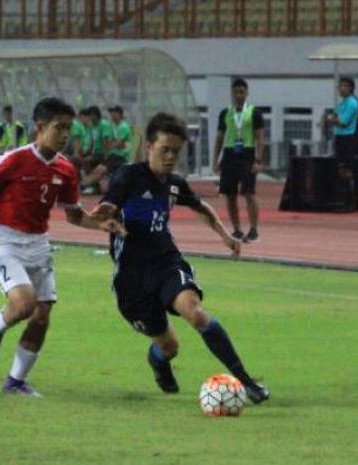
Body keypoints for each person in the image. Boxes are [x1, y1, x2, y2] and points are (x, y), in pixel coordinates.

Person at [0, 97, 125, 396]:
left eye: (68, 129)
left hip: (38, 243)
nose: (65, 135)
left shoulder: (66, 169)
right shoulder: (14, 159)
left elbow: (74, 215)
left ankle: (15, 382)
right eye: (59, 128)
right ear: (39, 127)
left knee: (42, 315)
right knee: (24, 304)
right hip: (5, 240)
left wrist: (99, 224)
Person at [92, 112, 269, 404]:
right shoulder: (129, 176)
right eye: (165, 150)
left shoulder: (174, 184)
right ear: (149, 147)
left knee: (194, 312)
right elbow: (109, 204)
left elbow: (201, 208)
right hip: (132, 280)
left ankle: (247, 382)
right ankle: (158, 361)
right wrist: (106, 216)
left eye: (176, 151)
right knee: (169, 346)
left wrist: (225, 235)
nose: (171, 156)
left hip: (166, 263)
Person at [212, 78, 265, 243]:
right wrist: (215, 159)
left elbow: (260, 139)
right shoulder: (225, 113)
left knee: (249, 192)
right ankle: (236, 229)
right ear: (232, 94)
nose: (239, 95)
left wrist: (258, 160)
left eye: (242, 92)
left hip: (247, 154)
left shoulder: (254, 113)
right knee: (230, 194)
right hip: (229, 154)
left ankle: (254, 230)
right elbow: (219, 138)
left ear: (247, 93)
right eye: (236, 92)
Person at [326, 76, 358, 211]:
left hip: (351, 139)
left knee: (351, 169)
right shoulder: (342, 103)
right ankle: (343, 198)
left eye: (345, 86)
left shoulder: (352, 103)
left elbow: (343, 122)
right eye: (340, 86)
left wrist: (334, 119)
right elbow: (333, 118)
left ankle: (354, 201)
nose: (341, 88)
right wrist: (333, 119)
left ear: (351, 88)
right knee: (341, 168)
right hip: (341, 138)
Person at [81, 105, 132, 189]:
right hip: (113, 155)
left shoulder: (123, 127)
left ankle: (82, 185)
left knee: (100, 170)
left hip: (119, 156)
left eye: (114, 113)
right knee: (98, 168)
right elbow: (114, 143)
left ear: (119, 114)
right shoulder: (113, 126)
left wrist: (108, 148)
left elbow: (118, 143)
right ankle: (88, 185)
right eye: (111, 113)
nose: (111, 115)